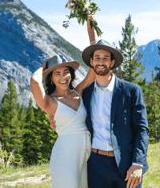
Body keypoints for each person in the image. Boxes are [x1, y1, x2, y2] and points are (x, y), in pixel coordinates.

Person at [50, 36, 149, 188]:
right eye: (97, 58)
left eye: (105, 58)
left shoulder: (132, 91)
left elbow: (142, 129)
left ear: (112, 62)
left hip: (127, 163)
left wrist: (138, 163)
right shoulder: (85, 95)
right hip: (96, 165)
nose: (101, 62)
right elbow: (73, 115)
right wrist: (58, 122)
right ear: (91, 62)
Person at [30, 15, 96, 188]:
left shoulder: (78, 92)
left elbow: (94, 69)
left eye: (65, 72)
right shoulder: (50, 102)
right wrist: (44, 68)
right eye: (56, 73)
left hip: (87, 152)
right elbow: (34, 82)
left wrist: (92, 34)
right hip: (65, 155)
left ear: (71, 74)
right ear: (51, 79)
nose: (62, 77)